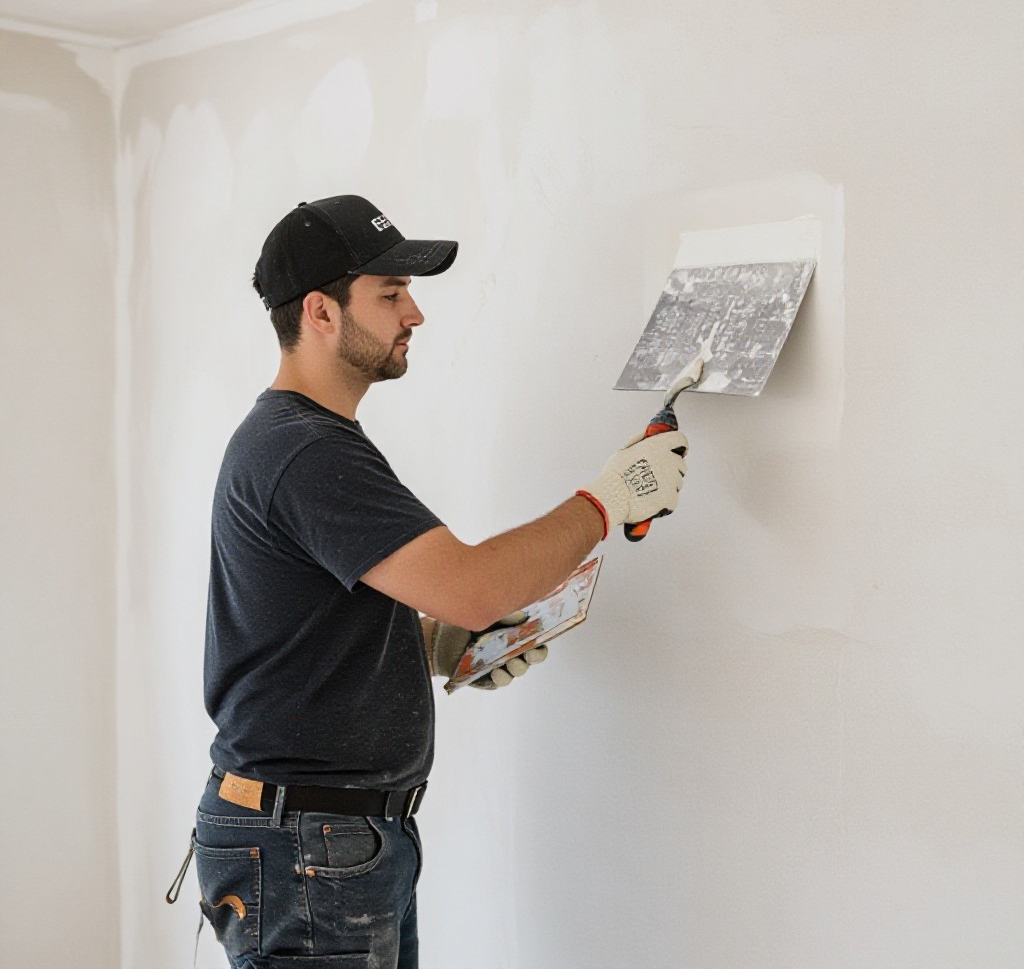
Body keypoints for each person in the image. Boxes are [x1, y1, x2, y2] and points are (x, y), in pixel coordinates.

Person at [180, 194, 691, 969]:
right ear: (320, 312)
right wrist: (607, 499)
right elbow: (475, 584)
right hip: (308, 847)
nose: (414, 313)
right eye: (389, 295)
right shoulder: (305, 450)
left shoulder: (303, 440)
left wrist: (437, 645)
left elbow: (309, 624)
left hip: (325, 841)